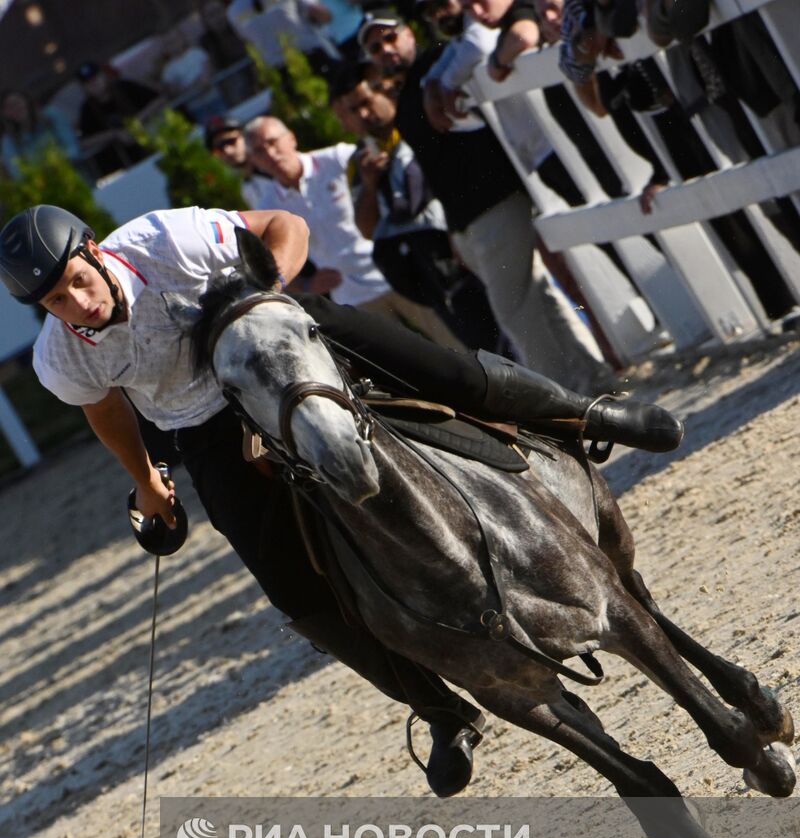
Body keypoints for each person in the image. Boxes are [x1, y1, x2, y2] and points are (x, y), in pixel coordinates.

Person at [0, 204, 683, 797]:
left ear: (96, 251)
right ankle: (440, 709)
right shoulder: (62, 357)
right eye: (56, 301)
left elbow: (281, 225)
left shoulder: (165, 238)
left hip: (276, 342)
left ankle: (584, 413)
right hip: (204, 423)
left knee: (436, 369)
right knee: (291, 590)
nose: (76, 304)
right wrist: (148, 481)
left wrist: (268, 292)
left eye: (77, 281)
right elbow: (105, 409)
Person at [358, 10, 607, 391]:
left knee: (514, 310)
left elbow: (476, 44)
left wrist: (436, 83)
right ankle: (590, 380)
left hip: (494, 198)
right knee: (534, 299)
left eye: (390, 38)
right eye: (375, 47)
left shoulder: (438, 60)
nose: (385, 50)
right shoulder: (413, 84)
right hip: (465, 217)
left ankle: (563, 397)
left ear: (409, 32)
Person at [243, 114, 463, 346]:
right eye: (258, 151)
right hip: (351, 297)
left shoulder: (338, 159)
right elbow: (273, 262)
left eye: (272, 142)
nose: (269, 153)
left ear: (291, 139)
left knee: (454, 343)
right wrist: (307, 286)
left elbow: (392, 174)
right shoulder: (266, 206)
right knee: (399, 369)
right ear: (254, 161)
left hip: (395, 271)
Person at [331, 65, 504, 353]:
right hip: (428, 270)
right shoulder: (359, 161)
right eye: (353, 110)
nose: (363, 115)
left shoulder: (422, 120)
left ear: (384, 91)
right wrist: (371, 185)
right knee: (481, 344)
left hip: (463, 241)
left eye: (366, 103)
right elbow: (367, 229)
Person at [75, 61, 165, 178]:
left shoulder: (124, 87)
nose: (94, 84)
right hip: (125, 167)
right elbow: (85, 141)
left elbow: (159, 100)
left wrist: (137, 121)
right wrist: (114, 134)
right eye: (88, 83)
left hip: (154, 147)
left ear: (103, 76)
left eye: (96, 79)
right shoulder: (87, 109)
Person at [0, 89, 80, 177]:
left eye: (16, 102)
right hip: (43, 184)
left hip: (71, 171)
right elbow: (18, 174)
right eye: (9, 108)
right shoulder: (8, 142)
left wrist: (58, 164)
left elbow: (73, 147)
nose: (15, 109)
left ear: (26, 100)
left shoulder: (51, 115)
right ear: (5, 114)